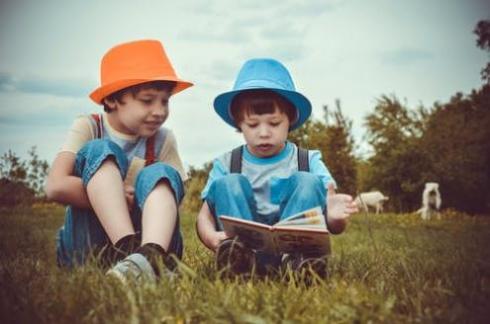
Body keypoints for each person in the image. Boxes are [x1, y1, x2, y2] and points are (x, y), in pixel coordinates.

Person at [45, 39, 193, 282]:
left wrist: (146, 194)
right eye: (147, 100)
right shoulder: (89, 126)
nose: (159, 111)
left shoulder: (163, 139)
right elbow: (55, 186)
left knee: (161, 173)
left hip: (151, 238)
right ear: (113, 99)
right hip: (90, 248)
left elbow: (174, 194)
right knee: (100, 150)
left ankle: (150, 256)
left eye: (165, 101)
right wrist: (113, 194)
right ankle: (129, 252)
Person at [196, 58, 358, 279]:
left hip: (297, 253)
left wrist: (336, 218)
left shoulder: (307, 160)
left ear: (290, 119)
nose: (263, 133)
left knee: (307, 181)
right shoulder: (226, 163)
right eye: (253, 125)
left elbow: (334, 224)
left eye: (274, 123)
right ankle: (239, 263)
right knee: (228, 183)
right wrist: (210, 237)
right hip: (244, 252)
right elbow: (204, 215)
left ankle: (301, 266)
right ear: (239, 123)